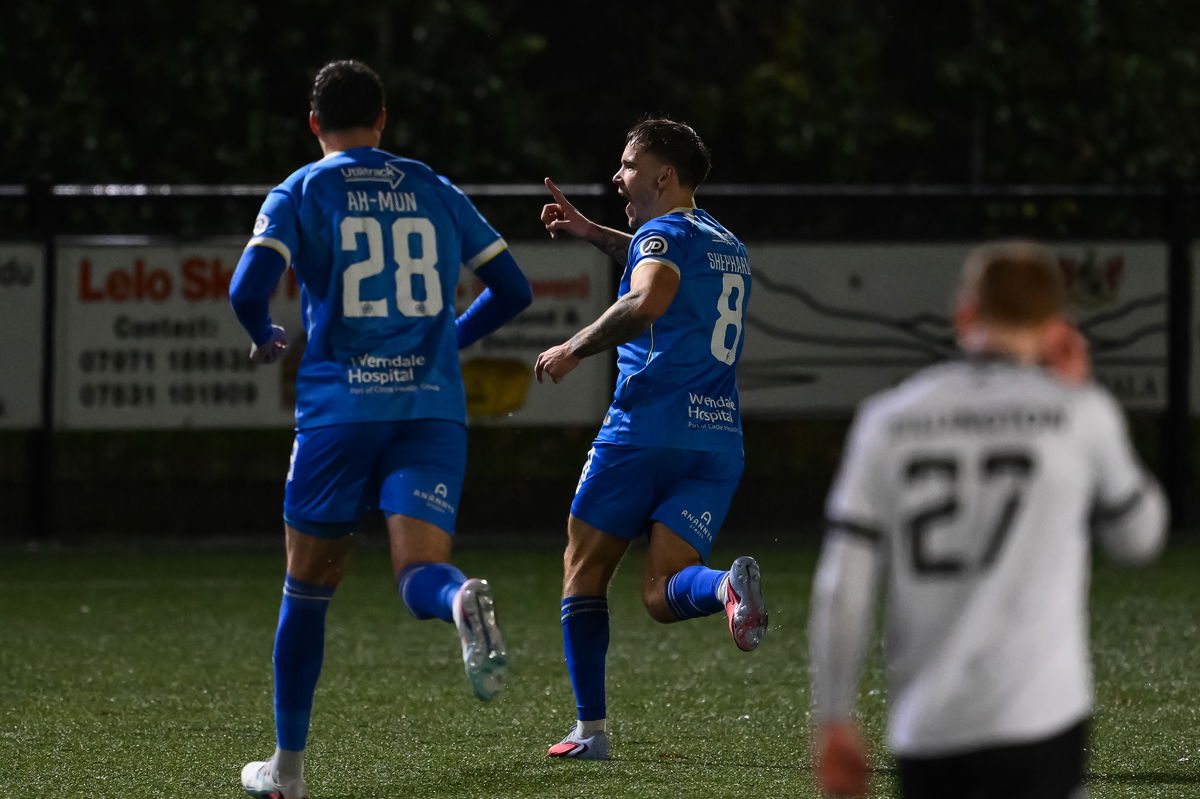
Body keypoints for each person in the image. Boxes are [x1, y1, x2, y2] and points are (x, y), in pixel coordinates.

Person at [228, 59, 532, 799]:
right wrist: (445, 341)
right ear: (383, 120)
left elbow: (246, 288)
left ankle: (288, 773)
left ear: (313, 125)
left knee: (307, 586)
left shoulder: (302, 188)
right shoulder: (433, 186)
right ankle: (459, 600)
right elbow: (513, 289)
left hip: (341, 411)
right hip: (430, 409)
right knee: (418, 572)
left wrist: (264, 328)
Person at [808, 240, 1168, 798]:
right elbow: (1140, 537)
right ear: (1056, 327)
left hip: (929, 724)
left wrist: (834, 715)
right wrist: (1084, 394)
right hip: (1041, 715)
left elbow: (843, 586)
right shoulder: (1077, 412)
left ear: (964, 314)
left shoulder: (888, 420)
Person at [535, 117, 767, 761]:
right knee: (664, 592)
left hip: (644, 431)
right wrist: (591, 233)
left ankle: (591, 734)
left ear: (664, 175)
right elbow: (654, 258)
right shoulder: (725, 242)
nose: (618, 176)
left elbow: (649, 299)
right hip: (716, 442)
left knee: (584, 570)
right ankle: (726, 588)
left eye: (629, 165)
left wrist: (574, 347)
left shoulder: (661, 236)